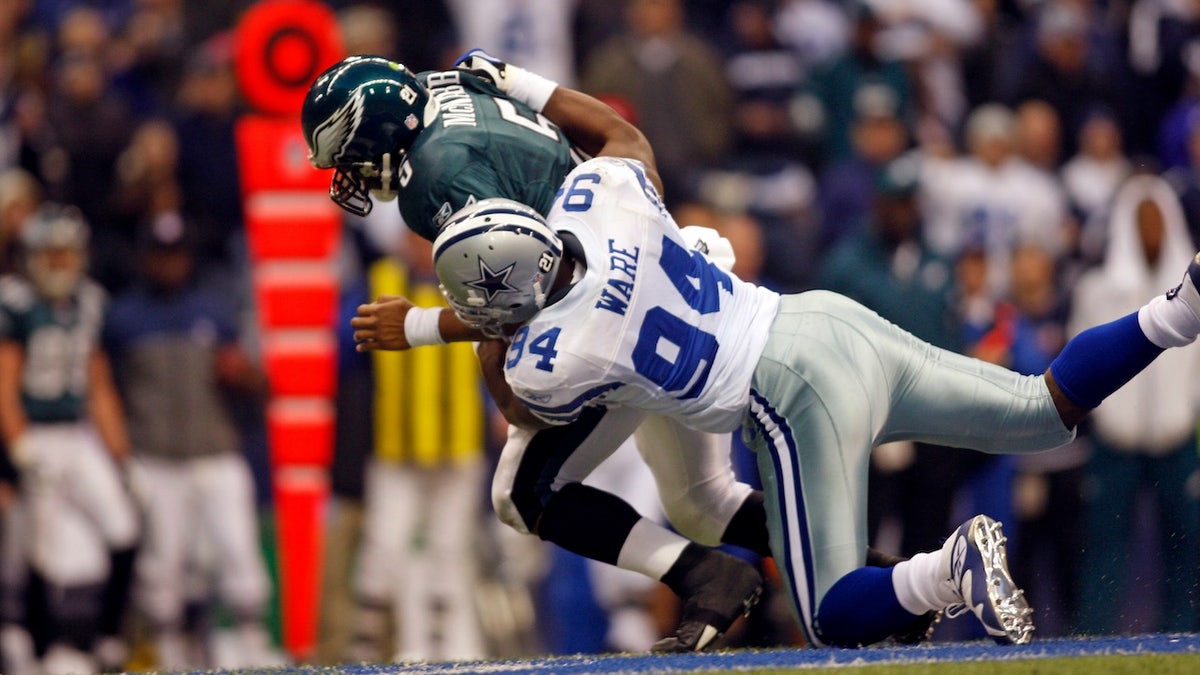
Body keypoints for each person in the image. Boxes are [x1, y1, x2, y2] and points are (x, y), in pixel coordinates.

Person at [422, 131, 1200, 647]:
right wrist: (517, 81)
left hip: (788, 386)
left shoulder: (551, 357)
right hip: (818, 318)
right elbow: (620, 139)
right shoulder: (603, 200)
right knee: (1041, 408)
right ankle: (1179, 312)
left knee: (829, 615)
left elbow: (522, 404)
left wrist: (467, 329)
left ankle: (948, 564)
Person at [305, 52, 766, 652]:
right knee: (706, 500)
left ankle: (708, 574)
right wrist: (528, 84)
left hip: (612, 317)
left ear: (378, 133)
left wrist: (419, 325)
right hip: (669, 268)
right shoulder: (447, 91)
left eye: (350, 157)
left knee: (522, 492)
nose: (352, 175)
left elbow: (514, 295)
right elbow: (621, 138)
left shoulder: (434, 180)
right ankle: (868, 572)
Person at [103, 212, 278, 669]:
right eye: (161, 256)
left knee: (238, 550)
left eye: (176, 255)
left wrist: (242, 375)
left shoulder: (215, 310)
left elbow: (259, 384)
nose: (170, 265)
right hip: (155, 456)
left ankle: (252, 641)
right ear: (146, 258)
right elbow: (108, 390)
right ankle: (167, 650)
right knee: (162, 564)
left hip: (215, 451)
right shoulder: (124, 317)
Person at [0, 204, 140, 672]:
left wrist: (122, 457)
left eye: (66, 254)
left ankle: (106, 638)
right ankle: (41, 646)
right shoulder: (16, 303)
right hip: (35, 434)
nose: (59, 265)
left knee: (124, 527)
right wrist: (17, 445)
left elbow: (98, 384)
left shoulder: (90, 302)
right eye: (51, 254)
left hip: (77, 434)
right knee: (37, 546)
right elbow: (4, 382)